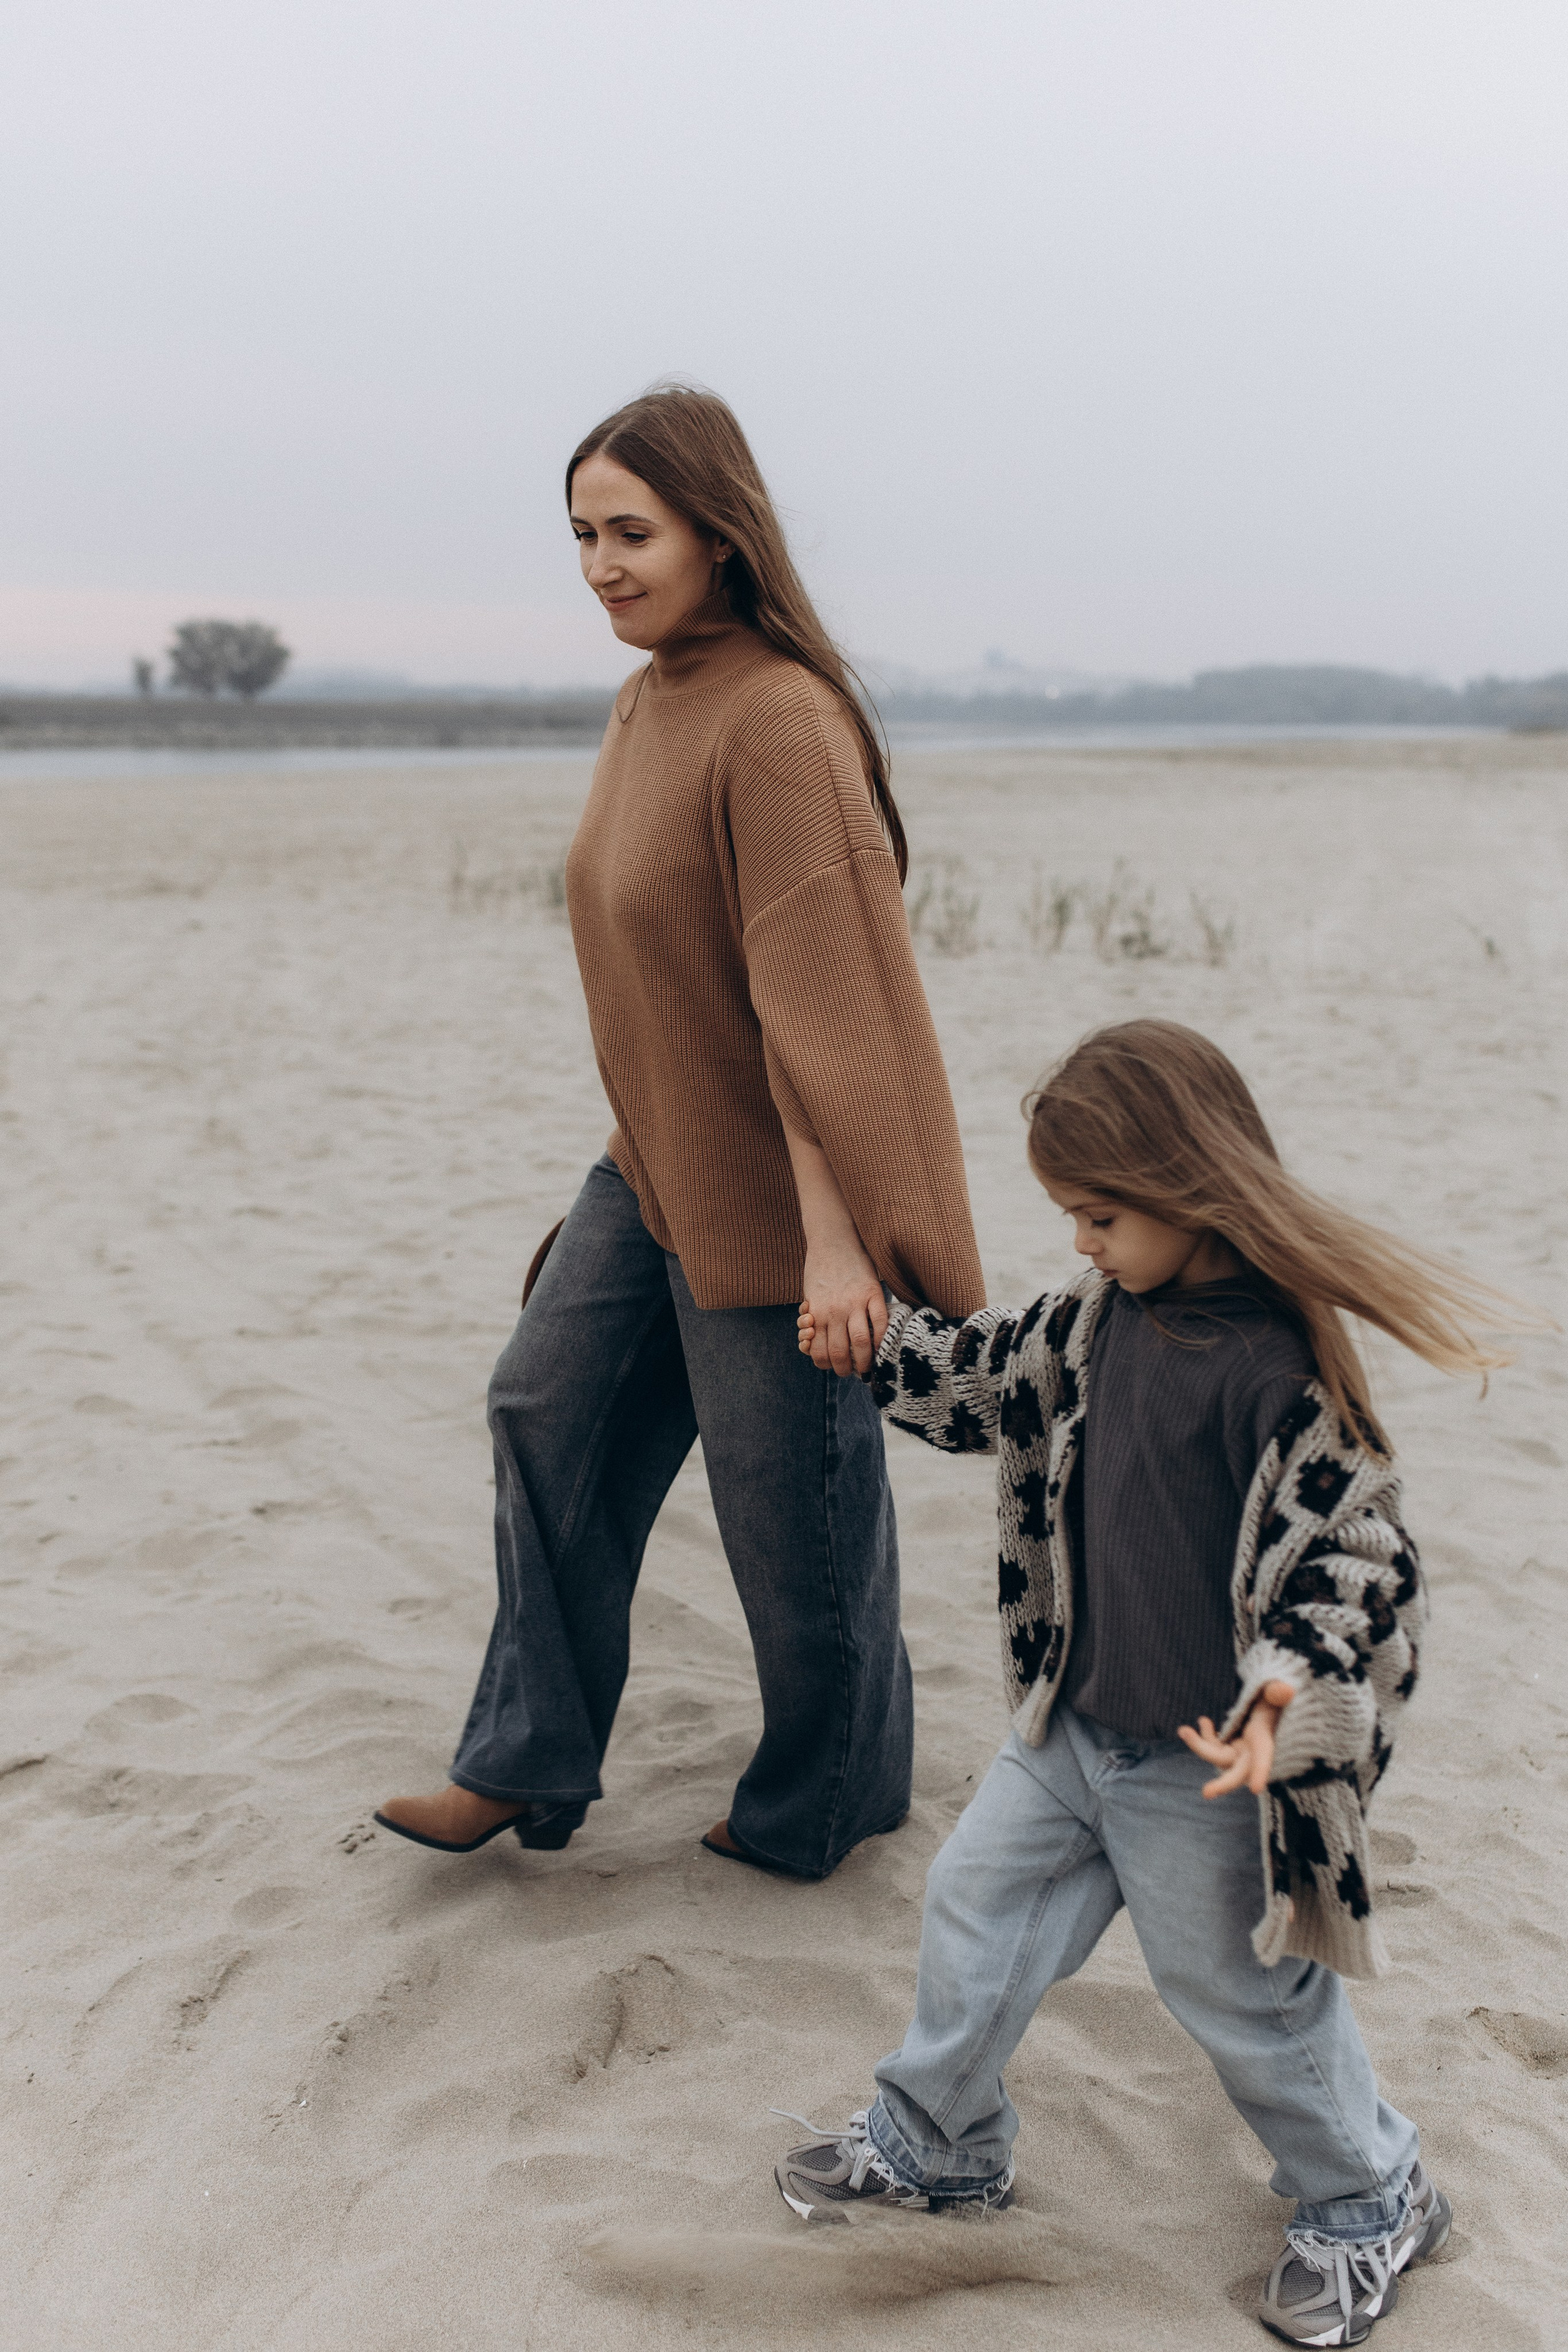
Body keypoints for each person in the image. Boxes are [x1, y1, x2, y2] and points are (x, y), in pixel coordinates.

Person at [777, 1019, 1529, 2343]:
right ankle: (938, 2144)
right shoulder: (1091, 1324)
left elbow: (1355, 1561)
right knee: (973, 1908)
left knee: (1243, 2000)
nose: (1080, 1243)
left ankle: (1372, 2196)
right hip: (1068, 1729)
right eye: (1071, 1216)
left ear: (1188, 1191)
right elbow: (981, 1379)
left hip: (1201, 1769)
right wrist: (874, 1344)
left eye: (1101, 1215)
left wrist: (1285, 1694)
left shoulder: (1277, 1374)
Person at [375, 385, 983, 1880]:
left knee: (793, 1519)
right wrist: (620, 1173)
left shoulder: (778, 721)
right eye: (581, 535)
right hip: (653, 1164)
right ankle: (520, 1761)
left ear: (719, 534)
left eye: (630, 534)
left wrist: (835, 1249)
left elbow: (813, 1006)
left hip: (781, 1189)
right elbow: (667, 977)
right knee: (542, 1408)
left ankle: (827, 1799)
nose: (600, 565)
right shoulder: (648, 701)